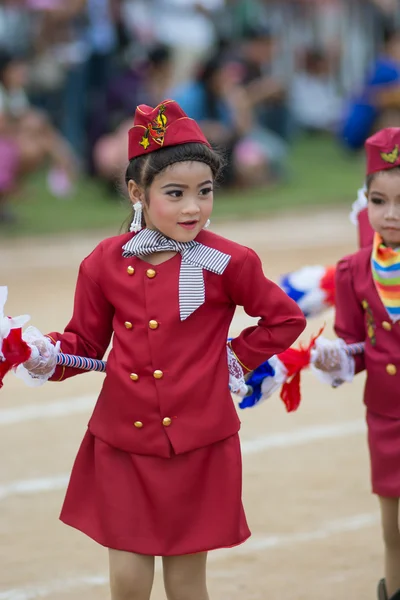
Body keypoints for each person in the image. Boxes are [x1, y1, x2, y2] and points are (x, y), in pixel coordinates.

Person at [18, 100, 306, 600]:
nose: (193, 207)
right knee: (128, 582)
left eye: (204, 192)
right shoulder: (103, 264)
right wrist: (36, 350)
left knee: (187, 583)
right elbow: (84, 344)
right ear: (138, 193)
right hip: (123, 442)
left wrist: (234, 357)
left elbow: (285, 318)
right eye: (175, 194)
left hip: (200, 442)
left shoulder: (229, 262)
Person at [313, 127, 400, 600]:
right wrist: (334, 357)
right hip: (387, 414)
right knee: (393, 529)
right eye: (379, 201)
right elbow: (353, 345)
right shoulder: (354, 270)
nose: (392, 215)